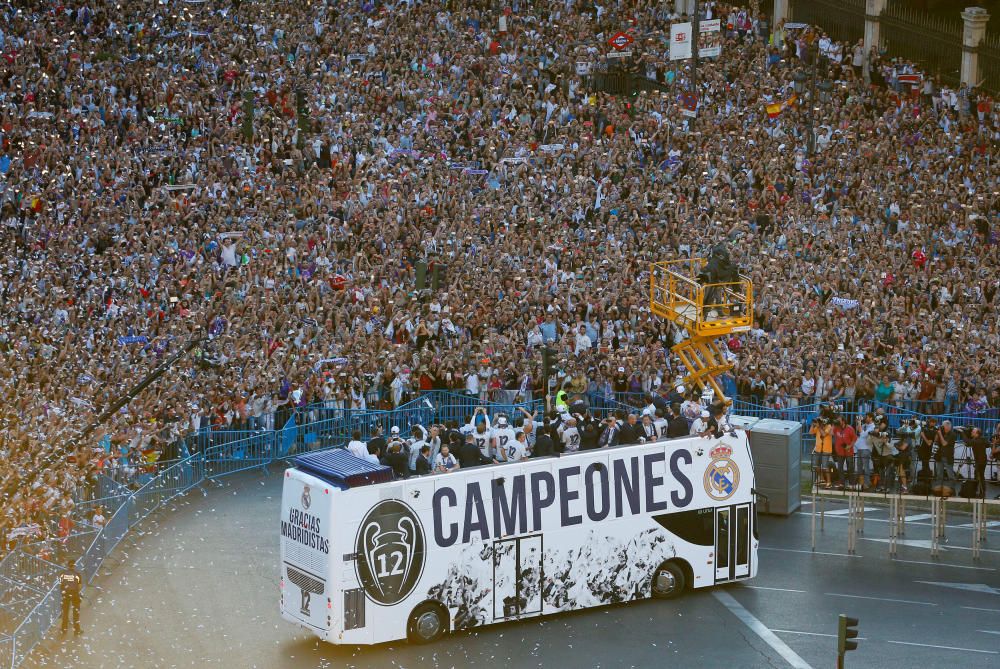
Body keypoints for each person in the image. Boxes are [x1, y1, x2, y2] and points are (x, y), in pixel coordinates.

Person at [60, 559, 82, 636]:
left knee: (65, 612)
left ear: (68, 565)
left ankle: (64, 629)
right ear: (74, 566)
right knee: (76, 613)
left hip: (65, 595)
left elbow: (61, 585)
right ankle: (77, 630)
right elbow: (79, 587)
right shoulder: (77, 574)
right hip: (75, 594)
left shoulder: (63, 574)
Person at [811, 417, 834, 488]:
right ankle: (822, 479)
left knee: (825, 466)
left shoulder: (829, 426)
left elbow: (824, 434)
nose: (818, 423)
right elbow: (810, 432)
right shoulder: (818, 427)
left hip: (826, 450)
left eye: (819, 422)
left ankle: (829, 482)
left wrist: (819, 427)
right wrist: (813, 425)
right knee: (815, 466)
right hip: (818, 449)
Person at [934, 420, 958, 486]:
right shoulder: (941, 432)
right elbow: (935, 440)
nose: (942, 427)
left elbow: (944, 443)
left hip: (948, 456)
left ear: (947, 426)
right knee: (939, 474)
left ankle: (952, 489)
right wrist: (937, 433)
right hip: (939, 455)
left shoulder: (952, 434)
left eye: (943, 426)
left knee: (950, 474)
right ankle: (938, 488)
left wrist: (940, 434)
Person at [967, 427, 989, 498]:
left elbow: (968, 443)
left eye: (973, 432)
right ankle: (981, 492)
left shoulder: (976, 440)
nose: (971, 433)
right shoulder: (982, 439)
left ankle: (980, 492)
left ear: (977, 433)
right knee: (980, 476)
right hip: (983, 460)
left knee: (979, 476)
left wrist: (962, 433)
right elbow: (988, 444)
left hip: (980, 461)